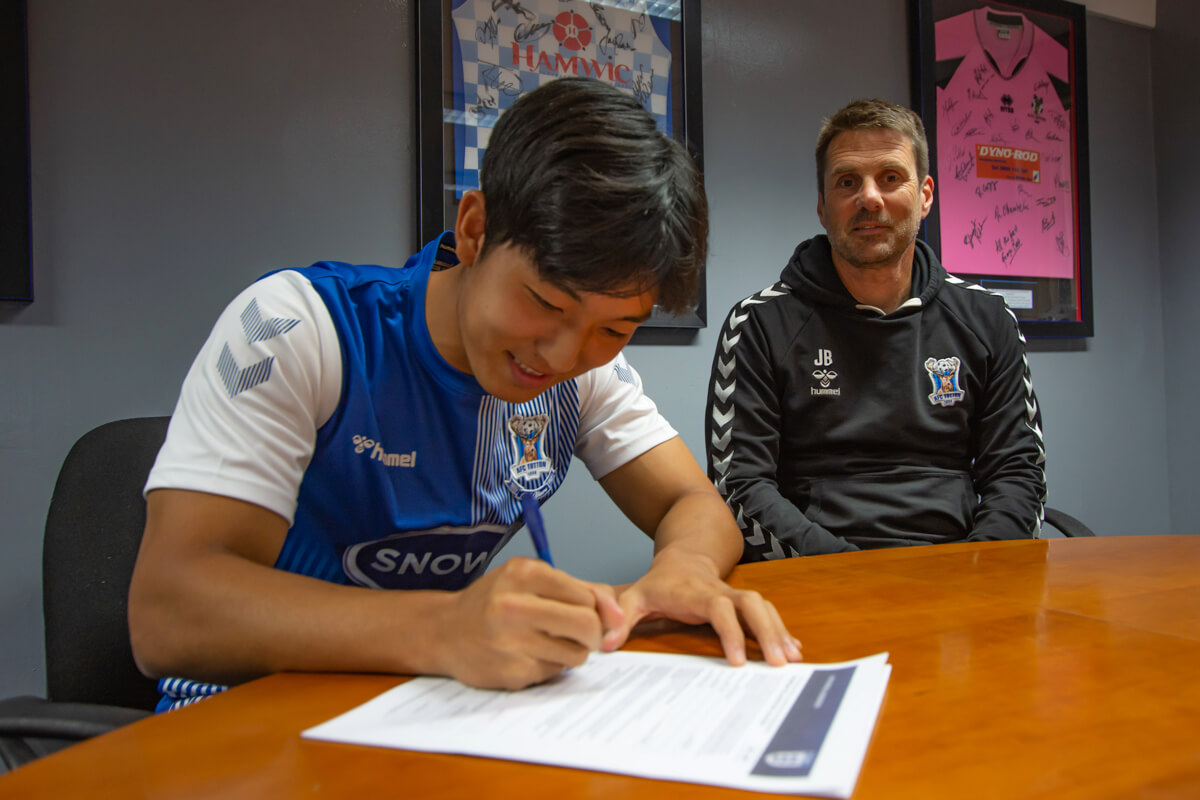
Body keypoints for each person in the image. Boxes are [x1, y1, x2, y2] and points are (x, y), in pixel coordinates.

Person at [129, 77, 801, 711]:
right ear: (475, 230)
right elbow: (168, 610)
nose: (564, 355)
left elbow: (693, 502)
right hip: (237, 719)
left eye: (615, 328)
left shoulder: (582, 376)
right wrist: (447, 625)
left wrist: (683, 568)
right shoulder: (298, 329)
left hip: (421, 713)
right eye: (543, 302)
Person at [705, 98, 1046, 559]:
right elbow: (741, 487)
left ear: (925, 196)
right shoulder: (760, 324)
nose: (869, 198)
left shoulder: (989, 320)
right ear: (823, 207)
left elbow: (1017, 474)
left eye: (890, 177)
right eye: (848, 182)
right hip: (817, 580)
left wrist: (978, 569)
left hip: (960, 574)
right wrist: (855, 575)